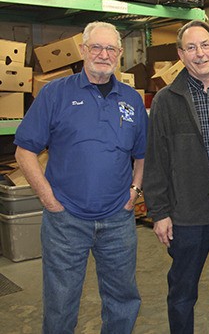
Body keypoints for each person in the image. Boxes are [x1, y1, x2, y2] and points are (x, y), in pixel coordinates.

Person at [14, 21, 146, 334]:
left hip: (118, 219)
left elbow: (142, 153)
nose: (104, 54)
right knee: (61, 302)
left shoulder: (132, 99)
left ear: (118, 56)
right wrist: (49, 199)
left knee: (123, 299)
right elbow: (24, 151)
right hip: (66, 220)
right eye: (96, 47)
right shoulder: (54, 94)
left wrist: (135, 191)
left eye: (111, 49)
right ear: (84, 50)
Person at [142, 19, 209, 333]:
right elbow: (156, 161)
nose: (199, 53)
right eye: (190, 47)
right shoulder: (166, 101)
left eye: (205, 45)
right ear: (180, 54)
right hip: (188, 215)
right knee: (182, 292)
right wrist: (160, 213)